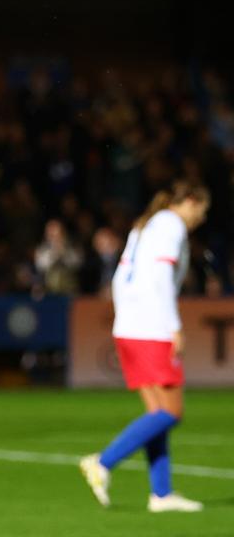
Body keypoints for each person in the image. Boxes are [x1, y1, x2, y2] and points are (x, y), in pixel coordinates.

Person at [79, 181, 211, 513]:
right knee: (171, 411)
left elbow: (120, 279)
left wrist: (124, 319)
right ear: (191, 201)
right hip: (152, 327)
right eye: (202, 211)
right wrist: (174, 325)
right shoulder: (170, 225)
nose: (201, 219)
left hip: (131, 327)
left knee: (157, 413)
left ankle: (161, 495)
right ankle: (103, 462)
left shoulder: (146, 225)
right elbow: (161, 280)